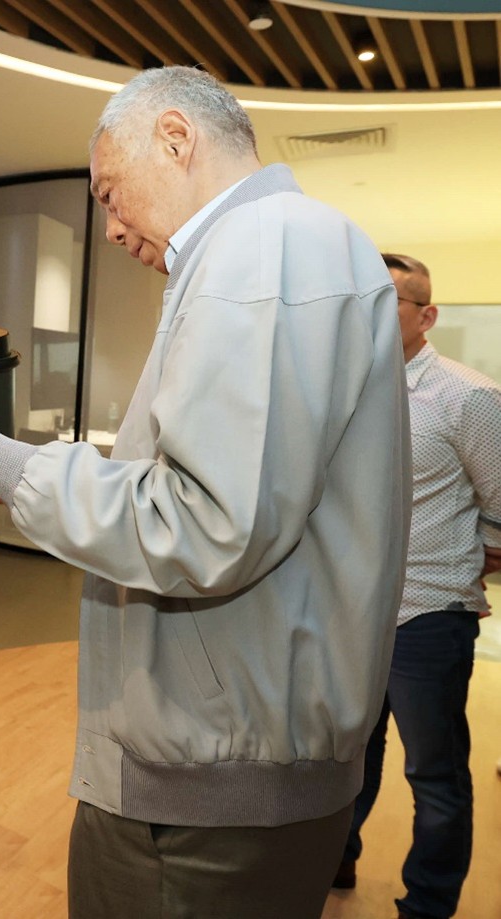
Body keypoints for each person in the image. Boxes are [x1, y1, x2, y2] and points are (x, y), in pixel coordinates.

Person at [0, 66, 409, 919]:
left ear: (175, 138)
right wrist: (4, 473)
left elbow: (203, 524)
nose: (109, 223)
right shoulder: (281, 248)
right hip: (230, 769)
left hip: (209, 794)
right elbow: (210, 493)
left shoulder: (261, 246)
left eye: (107, 190)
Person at [333, 253, 501, 919]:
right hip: (347, 613)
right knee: (344, 759)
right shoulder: (343, 388)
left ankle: (427, 904)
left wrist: (470, 557)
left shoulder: (467, 395)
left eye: (387, 303)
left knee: (432, 775)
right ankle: (334, 856)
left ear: (424, 315)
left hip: (427, 614)